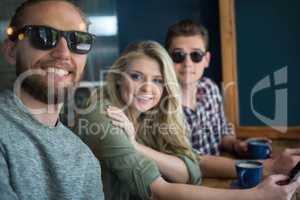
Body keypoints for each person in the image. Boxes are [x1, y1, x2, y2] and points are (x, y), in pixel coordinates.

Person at [74, 40, 300, 200]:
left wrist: (136, 146)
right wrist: (256, 196)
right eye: (136, 77)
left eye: (158, 81)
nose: (147, 88)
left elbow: (191, 169)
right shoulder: (104, 116)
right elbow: (159, 190)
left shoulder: (149, 114)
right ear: (118, 77)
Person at [0, 0, 104, 199]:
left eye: (78, 39)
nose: (63, 53)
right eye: (44, 36)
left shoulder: (86, 158)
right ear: (11, 51)